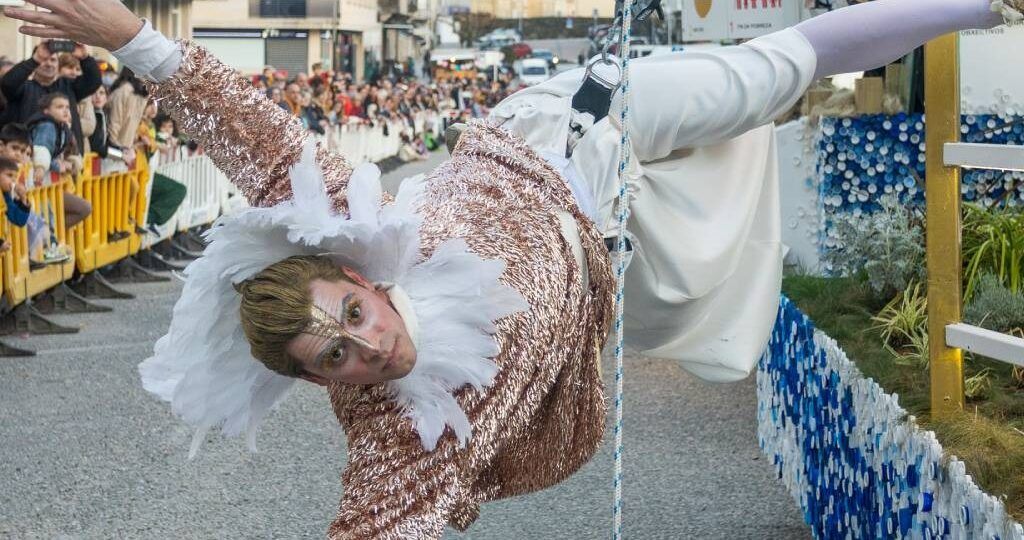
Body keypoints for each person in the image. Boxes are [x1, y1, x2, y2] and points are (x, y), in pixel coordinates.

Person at [5, 0, 1019, 536]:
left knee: (767, 75)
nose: (365, 345)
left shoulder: (359, 222)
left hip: (576, 127)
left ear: (358, 276)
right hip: (604, 284)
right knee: (703, 320)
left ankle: (984, 5)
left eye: (349, 315)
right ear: (322, 384)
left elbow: (255, 137)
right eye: (336, 357)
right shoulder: (397, 438)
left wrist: (133, 38)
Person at [0, 41, 100, 156]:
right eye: (44, 60)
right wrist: (35, 59)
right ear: (36, 63)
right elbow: (8, 83)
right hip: (30, 161)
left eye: (53, 60)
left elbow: (94, 81)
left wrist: (85, 58)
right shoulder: (24, 88)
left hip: (68, 162)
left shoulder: (68, 86)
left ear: (58, 64)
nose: (49, 64)